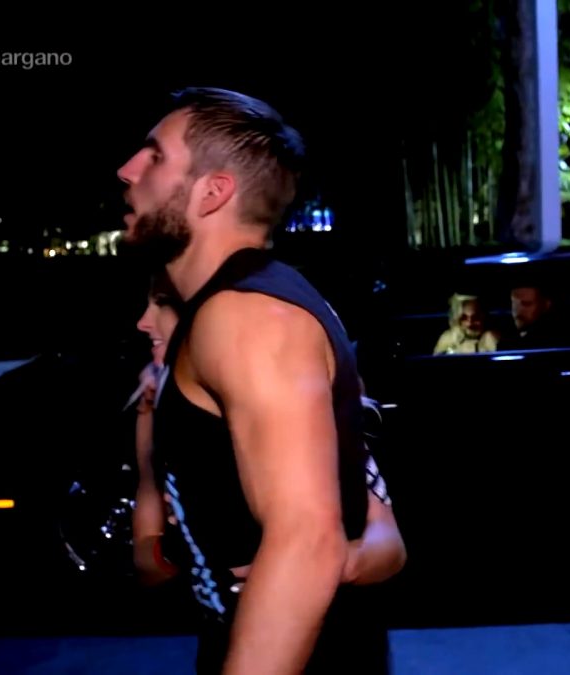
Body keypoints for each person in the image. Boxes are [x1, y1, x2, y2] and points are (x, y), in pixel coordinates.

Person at [117, 86, 393, 673]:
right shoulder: (235, 308)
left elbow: (308, 541)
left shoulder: (245, 315)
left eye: (156, 156)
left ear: (212, 192)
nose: (128, 170)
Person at [129, 275, 405, 589]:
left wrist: (314, 565)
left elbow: (389, 545)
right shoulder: (154, 410)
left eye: (163, 304)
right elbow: (145, 560)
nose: (143, 322)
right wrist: (185, 550)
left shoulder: (289, 403)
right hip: (213, 614)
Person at [432, 293, 500, 355]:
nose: (470, 323)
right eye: (464, 318)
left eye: (475, 317)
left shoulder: (491, 338)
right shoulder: (448, 338)